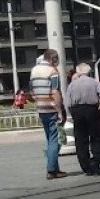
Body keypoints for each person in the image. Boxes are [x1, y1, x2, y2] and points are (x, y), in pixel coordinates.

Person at [30, 50, 69, 180]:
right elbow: (55, 92)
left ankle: (55, 168)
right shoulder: (52, 71)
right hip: (52, 108)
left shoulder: (34, 70)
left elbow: (32, 92)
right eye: (57, 59)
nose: (58, 62)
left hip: (41, 109)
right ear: (52, 59)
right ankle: (52, 170)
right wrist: (59, 110)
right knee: (56, 139)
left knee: (50, 139)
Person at [64, 62, 100, 175]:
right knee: (97, 137)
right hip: (92, 110)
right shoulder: (94, 82)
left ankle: (86, 166)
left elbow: (67, 103)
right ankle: (96, 161)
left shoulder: (72, 85)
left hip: (77, 111)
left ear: (78, 72)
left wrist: (73, 113)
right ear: (89, 71)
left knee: (80, 139)